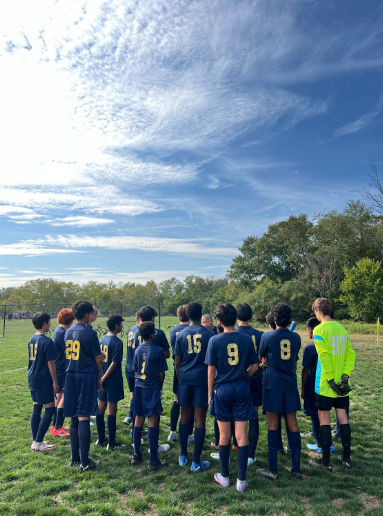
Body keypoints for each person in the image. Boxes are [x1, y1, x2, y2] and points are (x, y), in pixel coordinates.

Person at [206, 303, 258, 493]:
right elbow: (254, 366)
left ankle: (225, 477)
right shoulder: (246, 340)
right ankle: (241, 481)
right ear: (236, 318)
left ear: (219, 321)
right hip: (242, 388)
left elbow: (211, 370)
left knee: (224, 436)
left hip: (222, 389)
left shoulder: (215, 340)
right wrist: (243, 375)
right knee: (242, 435)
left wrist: (210, 393)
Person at [309, 298, 355, 472]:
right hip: (343, 384)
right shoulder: (342, 329)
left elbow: (324, 356)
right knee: (343, 418)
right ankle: (346, 458)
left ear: (319, 311)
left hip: (326, 385)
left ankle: (325, 461)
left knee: (324, 420)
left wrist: (329, 380)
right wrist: (345, 377)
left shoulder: (319, 329)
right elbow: (351, 354)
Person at [257, 303, 302, 480]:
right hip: (290, 384)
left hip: (272, 385)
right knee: (293, 424)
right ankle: (296, 468)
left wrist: (264, 361)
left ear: (274, 318)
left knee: (272, 425)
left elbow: (262, 356)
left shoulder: (267, 337)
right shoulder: (296, 337)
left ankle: (273, 470)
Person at [64, 301, 104, 473]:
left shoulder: (67, 331)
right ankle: (85, 462)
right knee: (84, 416)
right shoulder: (89, 333)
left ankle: (74, 458)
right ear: (87, 314)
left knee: (74, 416)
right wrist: (99, 378)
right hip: (85, 376)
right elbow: (98, 358)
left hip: (70, 375)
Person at [175, 301, 213, 471]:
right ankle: (196, 462)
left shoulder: (181, 334)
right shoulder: (209, 334)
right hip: (202, 380)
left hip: (185, 378)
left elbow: (177, 362)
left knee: (185, 416)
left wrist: (180, 379)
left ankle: (183, 455)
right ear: (201, 314)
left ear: (188, 316)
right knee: (199, 419)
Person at [131, 321, 168, 471]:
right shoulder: (158, 351)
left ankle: (136, 454)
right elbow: (161, 373)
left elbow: (135, 369)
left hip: (139, 387)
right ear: (153, 335)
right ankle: (153, 460)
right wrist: (159, 387)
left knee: (138, 418)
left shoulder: (138, 349)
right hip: (151, 388)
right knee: (153, 420)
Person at [235, 303, 264, 465]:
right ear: (251, 317)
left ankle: (236, 447)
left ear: (236, 317)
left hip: (236, 379)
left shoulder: (232, 333)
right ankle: (250, 454)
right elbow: (261, 359)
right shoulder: (259, 334)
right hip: (254, 379)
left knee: (235, 416)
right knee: (253, 416)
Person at [28, 312, 58, 452]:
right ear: (44, 323)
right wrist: (55, 382)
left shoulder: (31, 339)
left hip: (32, 377)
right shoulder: (47, 341)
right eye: (49, 322)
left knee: (37, 407)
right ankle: (38, 442)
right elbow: (51, 363)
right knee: (50, 408)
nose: (50, 324)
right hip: (43, 378)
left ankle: (36, 440)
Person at [96, 314, 125, 451]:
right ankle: (111, 443)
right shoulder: (117, 342)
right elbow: (114, 363)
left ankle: (101, 439)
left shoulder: (102, 339)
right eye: (120, 324)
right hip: (111, 381)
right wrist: (103, 378)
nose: (122, 326)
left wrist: (100, 378)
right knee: (111, 411)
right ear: (116, 326)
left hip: (102, 380)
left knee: (100, 409)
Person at [51, 308, 75, 437]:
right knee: (62, 397)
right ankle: (57, 427)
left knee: (59, 397)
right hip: (61, 368)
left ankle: (55, 425)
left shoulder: (60, 331)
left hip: (60, 368)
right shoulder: (61, 333)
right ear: (70, 320)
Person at [168, 305, 190, 443]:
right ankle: (189, 434)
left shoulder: (173, 331)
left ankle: (172, 432)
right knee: (190, 404)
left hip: (177, 368)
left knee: (176, 400)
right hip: (190, 370)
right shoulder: (189, 331)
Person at [123, 311, 140, 426]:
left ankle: (131, 416)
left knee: (133, 393)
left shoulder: (131, 330)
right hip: (136, 367)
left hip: (128, 365)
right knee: (138, 395)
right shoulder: (140, 332)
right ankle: (131, 416)